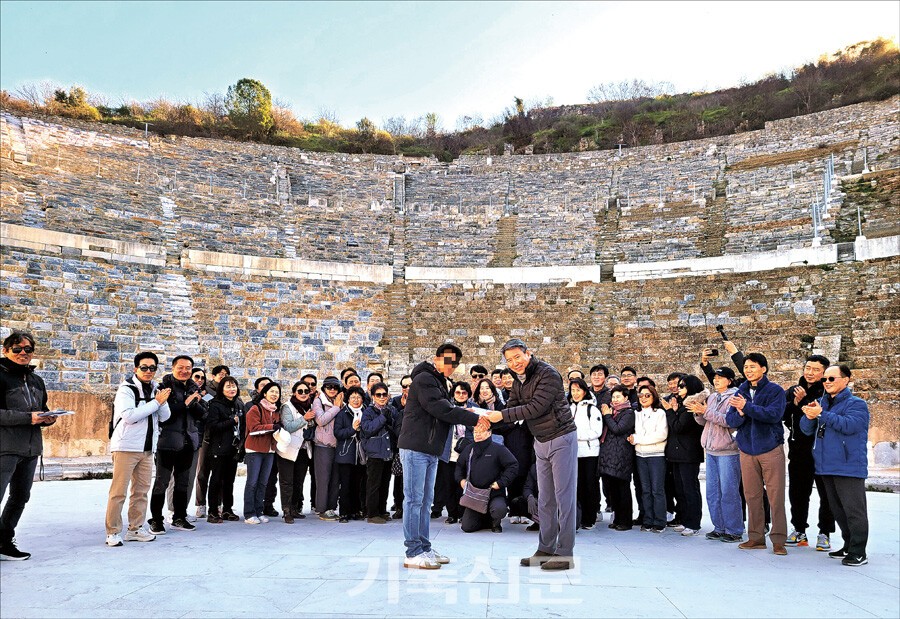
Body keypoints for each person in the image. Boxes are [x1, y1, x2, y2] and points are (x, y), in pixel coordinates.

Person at [485, 339, 577, 572]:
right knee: (545, 498)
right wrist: (485, 421)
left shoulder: (548, 374)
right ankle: (545, 548)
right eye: (509, 360)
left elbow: (536, 408)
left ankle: (565, 553)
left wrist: (498, 417)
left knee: (564, 498)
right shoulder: (517, 380)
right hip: (541, 441)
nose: (514, 363)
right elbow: (511, 410)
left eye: (518, 357)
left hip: (562, 437)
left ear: (528, 353)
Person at [397, 343, 484, 570]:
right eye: (447, 360)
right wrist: (475, 419)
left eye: (454, 362)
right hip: (416, 447)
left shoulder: (438, 382)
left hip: (430, 449)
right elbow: (441, 410)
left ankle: (424, 547)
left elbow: (446, 407)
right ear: (436, 358)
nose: (451, 366)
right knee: (414, 500)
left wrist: (469, 412)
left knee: (425, 502)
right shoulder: (424, 379)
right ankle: (413, 551)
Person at [800, 365, 870, 566]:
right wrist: (809, 415)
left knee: (854, 510)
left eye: (832, 378)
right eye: (825, 380)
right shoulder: (822, 403)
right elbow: (806, 430)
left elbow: (849, 425)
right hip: (825, 465)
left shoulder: (857, 404)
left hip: (848, 465)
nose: (827, 382)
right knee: (838, 510)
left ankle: (859, 551)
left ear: (846, 380)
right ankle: (848, 545)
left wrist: (821, 414)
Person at [104, 351, 171, 547]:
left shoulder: (156, 388)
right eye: (144, 367)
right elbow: (129, 416)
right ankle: (113, 531)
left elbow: (165, 417)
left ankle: (135, 528)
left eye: (152, 368)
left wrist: (162, 402)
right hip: (126, 447)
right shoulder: (127, 389)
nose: (148, 371)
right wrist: (156, 402)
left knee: (141, 491)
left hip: (148, 448)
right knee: (118, 492)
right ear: (136, 369)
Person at [725, 353, 788, 555]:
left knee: (775, 495)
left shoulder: (775, 391)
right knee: (751, 495)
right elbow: (731, 420)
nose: (748, 370)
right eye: (746, 367)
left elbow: (773, 415)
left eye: (753, 366)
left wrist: (747, 407)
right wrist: (741, 413)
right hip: (746, 450)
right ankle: (756, 537)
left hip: (770, 448)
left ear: (764, 369)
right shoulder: (740, 391)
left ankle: (778, 540)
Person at [148, 355, 203, 535]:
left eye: (188, 368)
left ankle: (180, 517)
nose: (184, 371)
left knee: (182, 483)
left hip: (188, 441)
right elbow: (166, 416)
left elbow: (203, 414)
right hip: (167, 443)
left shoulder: (194, 388)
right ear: (173, 368)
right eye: (181, 367)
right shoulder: (164, 388)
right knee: (161, 483)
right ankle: (156, 520)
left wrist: (193, 404)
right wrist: (185, 404)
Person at [784, 355, 835, 551]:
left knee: (826, 494)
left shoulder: (827, 393)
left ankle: (825, 533)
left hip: (821, 451)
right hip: (798, 450)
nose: (810, 372)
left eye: (815, 369)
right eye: (807, 367)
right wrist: (795, 403)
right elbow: (783, 416)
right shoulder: (794, 390)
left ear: (824, 373)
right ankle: (799, 530)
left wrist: (808, 405)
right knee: (797, 492)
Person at [688, 367, 743, 543]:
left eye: (721, 378)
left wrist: (706, 412)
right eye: (715, 377)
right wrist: (698, 412)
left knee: (729, 491)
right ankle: (719, 527)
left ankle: (734, 529)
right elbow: (704, 421)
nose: (716, 380)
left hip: (728, 450)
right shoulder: (711, 397)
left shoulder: (734, 398)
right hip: (710, 449)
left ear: (730, 380)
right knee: (712, 492)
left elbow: (729, 421)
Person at [455, 422, 518, 533]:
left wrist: (501, 482)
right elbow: (459, 466)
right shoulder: (469, 449)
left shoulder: (499, 449)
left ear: (489, 433)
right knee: (467, 527)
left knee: (499, 509)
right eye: (475, 432)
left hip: (494, 494)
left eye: (481, 431)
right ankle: (485, 519)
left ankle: (495, 522)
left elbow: (513, 465)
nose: (477, 434)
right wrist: (461, 479)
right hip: (475, 495)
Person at [666, 375, 706, 537]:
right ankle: (684, 519)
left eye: (682, 386)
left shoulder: (692, 406)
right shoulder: (682, 405)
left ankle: (693, 522)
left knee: (690, 489)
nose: (679, 388)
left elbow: (679, 426)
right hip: (676, 452)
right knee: (680, 489)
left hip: (689, 453)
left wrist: (670, 411)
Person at [274, 381, 316, 523]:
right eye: (300, 391)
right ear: (294, 392)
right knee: (287, 482)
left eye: (306, 391)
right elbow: (288, 427)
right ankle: (286, 511)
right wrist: (304, 419)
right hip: (289, 449)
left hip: (304, 449)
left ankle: (294, 508)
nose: (303, 394)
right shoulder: (287, 407)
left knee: (299, 481)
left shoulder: (310, 407)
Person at [205, 376, 244, 523]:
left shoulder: (238, 404)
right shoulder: (215, 404)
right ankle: (213, 511)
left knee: (229, 481)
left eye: (233, 386)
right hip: (219, 448)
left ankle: (228, 509)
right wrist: (230, 422)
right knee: (215, 480)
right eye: (228, 386)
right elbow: (212, 426)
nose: (231, 389)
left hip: (233, 448)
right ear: (221, 389)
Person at [432, 381, 474, 521]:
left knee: (463, 484)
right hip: (448, 451)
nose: (461, 395)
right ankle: (452, 514)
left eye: (464, 393)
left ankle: (463, 513)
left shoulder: (474, 408)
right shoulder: (447, 408)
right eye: (458, 392)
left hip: (467, 452)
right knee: (448, 484)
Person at [629, 385, 668, 533]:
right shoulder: (636, 413)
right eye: (641, 395)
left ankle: (659, 521)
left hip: (656, 455)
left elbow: (661, 435)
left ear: (654, 397)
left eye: (647, 395)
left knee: (657, 489)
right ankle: (647, 519)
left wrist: (638, 439)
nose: (644, 398)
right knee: (645, 490)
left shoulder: (660, 413)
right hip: (640, 455)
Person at [599, 385, 636, 532]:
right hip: (609, 455)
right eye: (613, 397)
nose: (615, 399)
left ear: (626, 398)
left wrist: (607, 415)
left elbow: (618, 429)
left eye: (618, 397)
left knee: (623, 489)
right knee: (613, 490)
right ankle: (617, 519)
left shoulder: (628, 413)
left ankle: (626, 521)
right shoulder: (613, 412)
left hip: (622, 455)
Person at [243, 382, 281, 525]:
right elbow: (253, 428)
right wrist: (272, 427)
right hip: (255, 450)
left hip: (269, 451)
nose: (274, 394)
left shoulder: (276, 411)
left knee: (263, 483)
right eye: (271, 391)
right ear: (264, 393)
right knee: (252, 482)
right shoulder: (255, 408)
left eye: (277, 392)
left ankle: (259, 511)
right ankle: (249, 513)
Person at [569, 378, 602, 530]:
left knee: (590, 485)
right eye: (572, 390)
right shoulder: (568, 408)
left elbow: (596, 431)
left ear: (584, 391)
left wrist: (575, 435)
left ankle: (590, 518)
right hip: (572, 453)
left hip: (589, 453)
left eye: (578, 390)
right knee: (577, 486)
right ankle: (579, 517)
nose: (575, 393)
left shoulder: (592, 409)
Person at [361, 382, 395, 524]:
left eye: (384, 394)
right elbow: (368, 429)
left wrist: (388, 419)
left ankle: (382, 510)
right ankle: (372, 513)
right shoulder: (368, 412)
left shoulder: (391, 409)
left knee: (385, 483)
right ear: (373, 396)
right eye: (378, 395)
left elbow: (396, 426)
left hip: (388, 452)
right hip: (375, 453)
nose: (382, 397)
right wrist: (382, 418)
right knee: (373, 484)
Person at [334, 386, 367, 523]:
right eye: (353, 397)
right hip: (346, 453)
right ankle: (343, 513)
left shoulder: (366, 412)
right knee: (345, 485)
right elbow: (338, 433)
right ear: (348, 399)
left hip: (360, 454)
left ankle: (355, 511)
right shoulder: (343, 413)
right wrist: (352, 429)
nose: (356, 400)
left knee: (357, 484)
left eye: (358, 397)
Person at [313, 376, 344, 521]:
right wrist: (337, 408)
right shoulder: (318, 401)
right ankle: (321, 509)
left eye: (335, 387)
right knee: (323, 479)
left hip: (338, 445)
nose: (332, 390)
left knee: (335, 479)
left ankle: (331, 508)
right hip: (323, 445)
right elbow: (320, 420)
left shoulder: (340, 401)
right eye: (329, 387)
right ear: (324, 388)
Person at [389, 374, 411, 519]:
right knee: (400, 478)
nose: (407, 389)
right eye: (405, 386)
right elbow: (395, 424)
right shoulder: (396, 402)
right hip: (400, 446)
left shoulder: (422, 401)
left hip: (417, 447)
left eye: (410, 386)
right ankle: (398, 506)